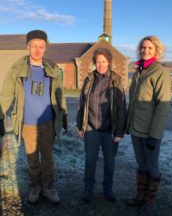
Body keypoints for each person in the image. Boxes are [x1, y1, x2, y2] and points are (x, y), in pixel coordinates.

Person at [0, 30, 68, 204]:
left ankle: (47, 187)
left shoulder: (52, 68)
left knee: (47, 158)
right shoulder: (17, 68)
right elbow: (6, 94)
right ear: (28, 46)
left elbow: (60, 95)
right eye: (34, 46)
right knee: (32, 159)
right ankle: (35, 186)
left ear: (45, 48)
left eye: (41, 46)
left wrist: (64, 113)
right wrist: (1, 116)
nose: (37, 50)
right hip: (27, 125)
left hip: (48, 123)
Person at [126, 36, 171, 216]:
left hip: (150, 131)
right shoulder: (138, 71)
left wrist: (155, 134)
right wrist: (127, 125)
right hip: (136, 129)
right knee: (141, 164)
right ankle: (140, 197)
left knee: (152, 166)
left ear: (157, 51)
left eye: (150, 48)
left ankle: (150, 203)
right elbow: (135, 102)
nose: (146, 51)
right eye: (143, 48)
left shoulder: (160, 72)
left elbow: (164, 105)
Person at [76, 48, 126, 203]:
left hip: (110, 131)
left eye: (104, 61)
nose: (101, 64)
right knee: (90, 161)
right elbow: (82, 103)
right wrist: (80, 125)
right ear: (94, 63)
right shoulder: (89, 79)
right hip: (91, 129)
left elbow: (122, 108)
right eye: (98, 61)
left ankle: (108, 188)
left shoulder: (116, 80)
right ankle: (88, 189)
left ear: (109, 62)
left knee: (109, 162)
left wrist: (119, 132)